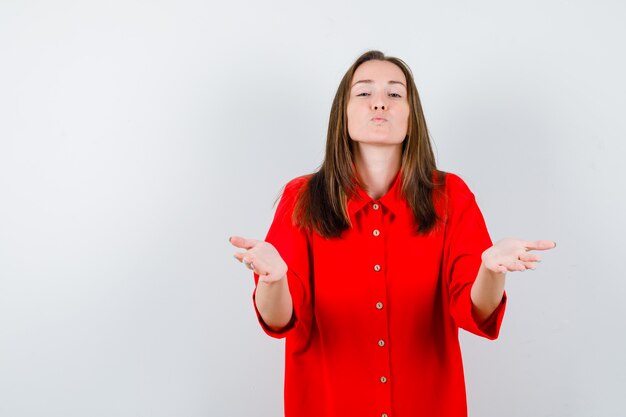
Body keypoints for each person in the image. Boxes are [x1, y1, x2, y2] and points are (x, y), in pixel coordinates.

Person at [229, 50, 555, 417]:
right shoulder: (301, 199)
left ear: (412, 118)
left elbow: (474, 310)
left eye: (395, 94)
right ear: (344, 115)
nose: (379, 103)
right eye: (364, 93)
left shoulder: (452, 197)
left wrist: (491, 271)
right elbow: (279, 319)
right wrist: (273, 279)